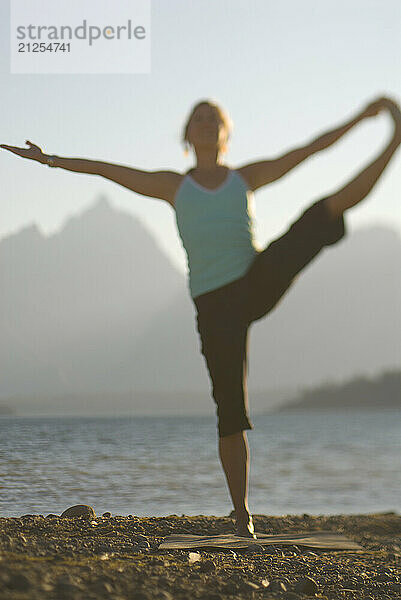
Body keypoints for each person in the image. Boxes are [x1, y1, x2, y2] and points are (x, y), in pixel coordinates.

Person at [2, 95, 400, 538]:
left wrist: (362, 119)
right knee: (230, 408)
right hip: (214, 306)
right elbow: (107, 169)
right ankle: (241, 514)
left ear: (225, 134)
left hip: (255, 280)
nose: (207, 123)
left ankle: (394, 143)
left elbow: (311, 148)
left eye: (215, 119)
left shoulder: (244, 178)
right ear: (187, 135)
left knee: (324, 211)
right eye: (199, 118)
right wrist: (49, 160)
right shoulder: (175, 186)